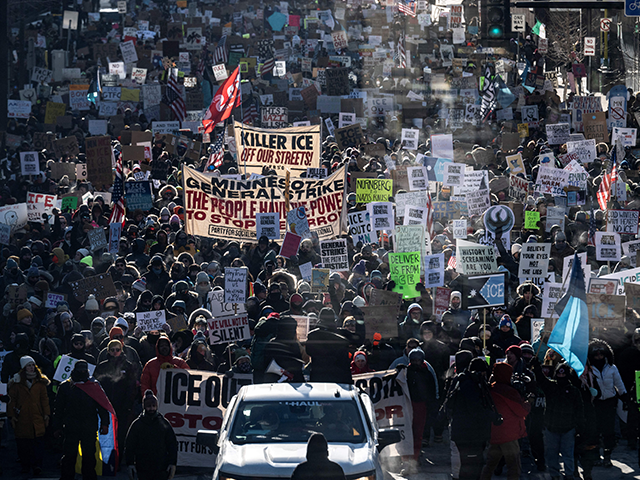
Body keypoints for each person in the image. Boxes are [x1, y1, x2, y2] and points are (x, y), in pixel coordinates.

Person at [53, 360, 115, 480]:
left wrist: (105, 424)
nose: (82, 372)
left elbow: (102, 406)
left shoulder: (94, 386)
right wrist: (57, 427)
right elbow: (58, 408)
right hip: (72, 426)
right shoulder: (66, 386)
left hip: (88, 426)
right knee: (70, 456)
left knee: (89, 456)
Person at [480, 362, 530, 480]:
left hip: (495, 433)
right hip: (509, 435)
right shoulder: (509, 392)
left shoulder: (490, 388)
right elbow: (522, 411)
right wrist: (528, 403)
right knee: (514, 468)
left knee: (489, 465)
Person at [7, 356, 51, 475]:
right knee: (23, 444)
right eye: (28, 366)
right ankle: (25, 465)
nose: (31, 368)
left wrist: (46, 414)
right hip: (22, 417)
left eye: (32, 365)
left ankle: (37, 465)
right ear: (23, 367)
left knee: (38, 444)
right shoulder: (16, 382)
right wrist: (12, 416)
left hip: (37, 417)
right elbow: (12, 400)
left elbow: (44, 399)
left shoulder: (40, 381)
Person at [588, 339, 627, 467]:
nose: (599, 357)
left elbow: (619, 383)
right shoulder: (587, 369)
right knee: (594, 431)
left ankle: (607, 456)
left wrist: (624, 396)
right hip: (594, 404)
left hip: (610, 403)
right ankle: (595, 456)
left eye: (601, 354)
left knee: (609, 431)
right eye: (596, 355)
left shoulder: (612, 368)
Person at [125, 390, 177, 480]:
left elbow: (172, 444)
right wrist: (130, 464)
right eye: (149, 406)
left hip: (161, 468)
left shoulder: (164, 423)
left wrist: (172, 463)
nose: (152, 408)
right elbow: (130, 446)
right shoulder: (137, 424)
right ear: (144, 407)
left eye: (153, 406)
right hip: (143, 469)